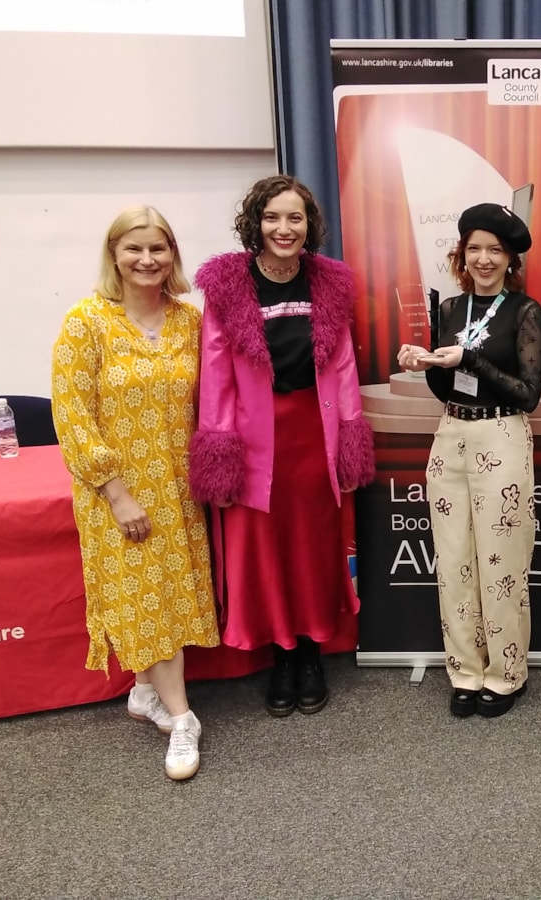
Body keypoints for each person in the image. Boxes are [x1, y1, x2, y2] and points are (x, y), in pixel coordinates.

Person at [188, 175, 375, 717]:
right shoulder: (228, 285)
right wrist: (219, 455)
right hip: (251, 442)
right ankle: (283, 658)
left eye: (295, 218)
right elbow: (215, 374)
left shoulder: (330, 284)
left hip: (312, 438)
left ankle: (312, 652)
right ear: (255, 222)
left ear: (309, 225)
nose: (283, 228)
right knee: (264, 556)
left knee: (311, 549)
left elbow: (341, 367)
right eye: (273, 217)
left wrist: (348, 439)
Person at [51, 206, 218, 781]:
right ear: (114, 255)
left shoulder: (189, 321)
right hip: (116, 492)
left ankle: (145, 692)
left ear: (172, 254)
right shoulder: (86, 323)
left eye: (159, 249)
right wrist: (116, 493)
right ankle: (183, 718)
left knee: (168, 592)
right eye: (134, 250)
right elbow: (72, 416)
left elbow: (212, 402)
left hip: (177, 487)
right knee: (147, 597)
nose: (147, 260)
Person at [397, 203, 541, 719]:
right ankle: (463, 670)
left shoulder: (524, 312)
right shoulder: (450, 310)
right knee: (455, 562)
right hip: (450, 435)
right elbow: (446, 385)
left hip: (502, 435)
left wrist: (471, 359)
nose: (484, 258)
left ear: (510, 260)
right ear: (462, 253)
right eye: (475, 248)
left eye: (495, 250)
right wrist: (425, 362)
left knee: (501, 563)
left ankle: (507, 674)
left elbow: (528, 394)